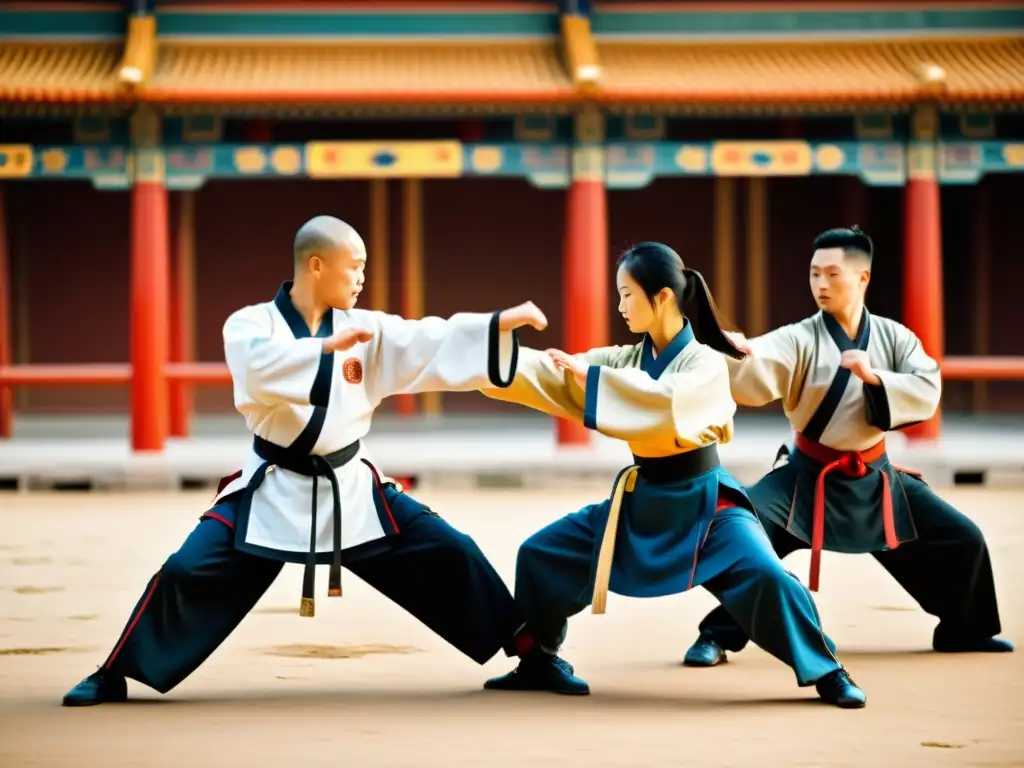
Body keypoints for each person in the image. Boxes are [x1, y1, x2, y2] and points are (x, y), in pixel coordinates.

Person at [62, 215, 549, 706]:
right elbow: (257, 370)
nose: (362, 278)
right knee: (186, 570)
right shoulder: (250, 324)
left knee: (452, 551)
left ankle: (532, 652)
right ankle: (114, 672)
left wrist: (495, 325)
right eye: (354, 267)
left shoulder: (366, 329)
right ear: (316, 266)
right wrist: (320, 353)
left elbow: (428, 339)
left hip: (351, 487)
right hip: (272, 486)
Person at [479, 242, 866, 708]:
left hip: (706, 506)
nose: (619, 306)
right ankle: (538, 658)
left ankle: (828, 672)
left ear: (661, 297)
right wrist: (489, 356)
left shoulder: (703, 362)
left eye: (626, 295)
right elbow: (558, 373)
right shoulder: (626, 360)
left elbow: (667, 404)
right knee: (543, 555)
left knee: (768, 576)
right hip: (642, 502)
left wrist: (593, 379)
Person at [682, 226, 1014, 669]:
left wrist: (874, 378)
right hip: (804, 478)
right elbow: (756, 366)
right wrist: (731, 349)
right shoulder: (799, 337)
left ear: (863, 278)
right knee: (736, 533)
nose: (821, 284)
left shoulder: (895, 338)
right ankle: (718, 634)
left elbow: (925, 386)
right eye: (814, 273)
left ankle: (964, 629)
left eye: (832, 274)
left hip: (875, 479)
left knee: (962, 538)